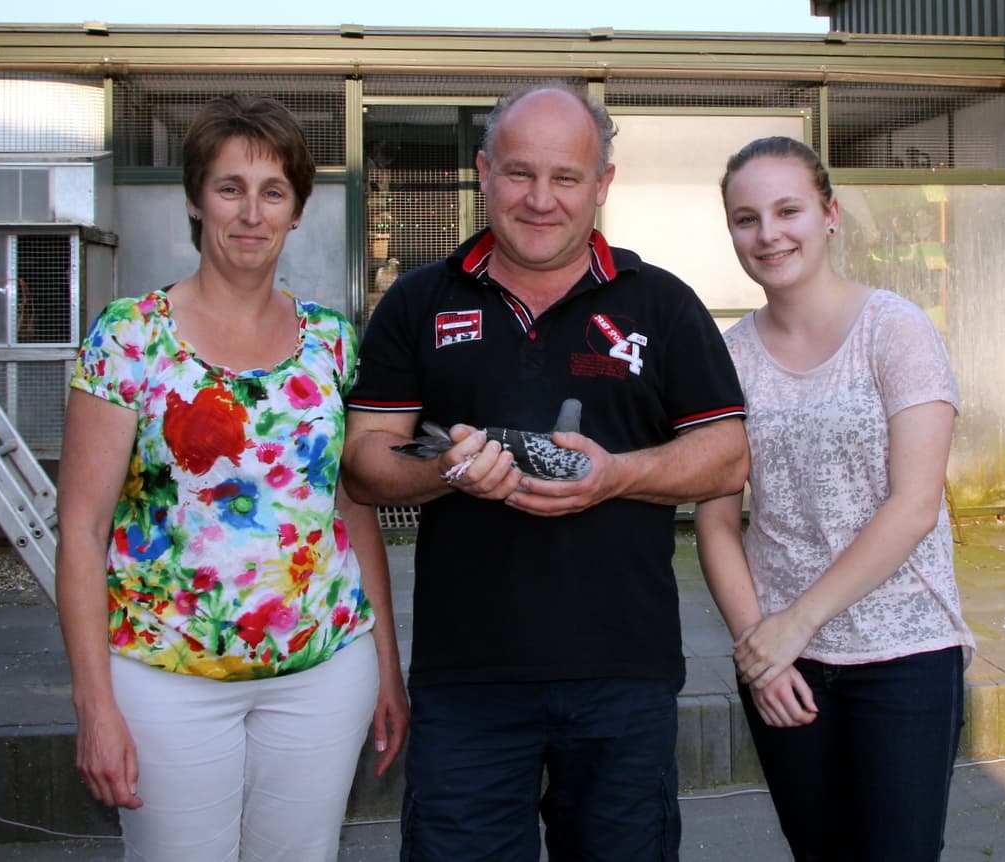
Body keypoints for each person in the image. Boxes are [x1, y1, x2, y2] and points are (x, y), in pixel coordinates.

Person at [341, 84, 748, 861]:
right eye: (519, 173)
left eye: (566, 177)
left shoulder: (660, 303)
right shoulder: (419, 302)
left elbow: (727, 454)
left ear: (603, 183)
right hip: (467, 682)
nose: (540, 199)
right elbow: (364, 461)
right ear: (484, 171)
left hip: (624, 675)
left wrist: (614, 476)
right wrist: (447, 470)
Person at [55, 94, 408, 862]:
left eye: (273, 192)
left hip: (323, 672)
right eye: (229, 188)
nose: (251, 213)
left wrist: (387, 663)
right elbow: (80, 529)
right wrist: (94, 704)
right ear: (195, 199)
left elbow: (351, 509)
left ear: (296, 210)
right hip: (165, 677)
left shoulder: (332, 341)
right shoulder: (129, 337)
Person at [695, 136, 975, 861]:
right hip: (783, 663)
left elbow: (913, 506)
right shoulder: (727, 357)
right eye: (746, 218)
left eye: (787, 210)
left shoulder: (896, 330)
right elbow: (716, 521)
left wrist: (797, 623)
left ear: (830, 214)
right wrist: (760, 648)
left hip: (904, 652)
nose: (768, 234)